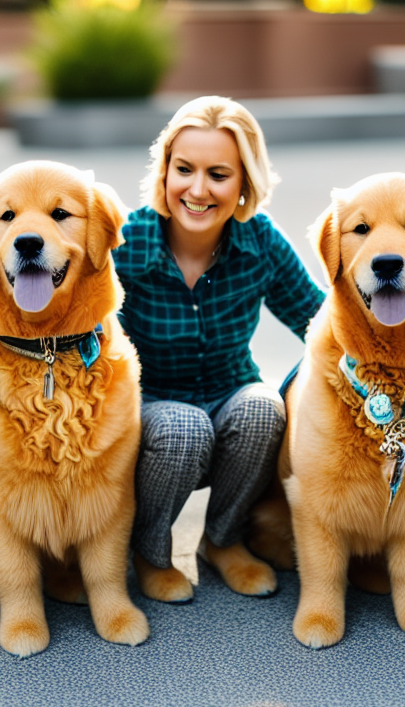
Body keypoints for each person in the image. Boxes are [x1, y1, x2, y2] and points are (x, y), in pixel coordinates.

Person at [113, 96, 325, 603]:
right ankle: (149, 552)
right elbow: (92, 335)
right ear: (165, 171)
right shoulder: (126, 240)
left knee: (264, 406)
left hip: (230, 398)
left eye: (219, 174)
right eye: (184, 169)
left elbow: (322, 327)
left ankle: (222, 540)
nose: (198, 189)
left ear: (245, 183)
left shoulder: (260, 241)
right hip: (148, 414)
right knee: (184, 425)